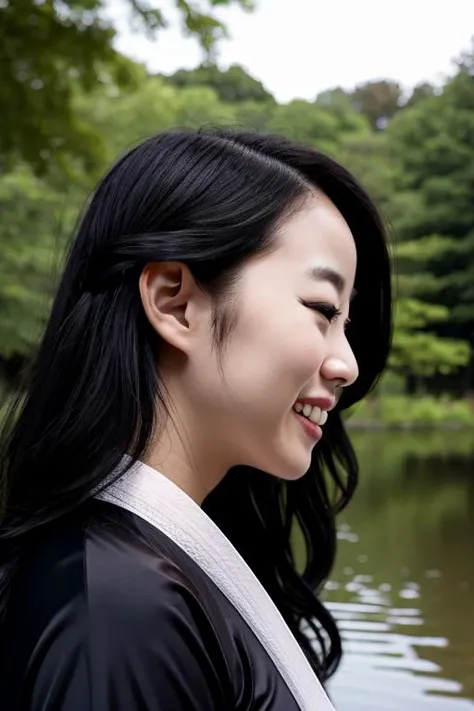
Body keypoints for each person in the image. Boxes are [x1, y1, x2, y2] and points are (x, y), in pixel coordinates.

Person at [0, 129, 392, 710]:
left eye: (347, 324)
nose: (348, 365)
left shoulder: (151, 571)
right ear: (174, 302)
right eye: (322, 310)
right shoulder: (118, 604)